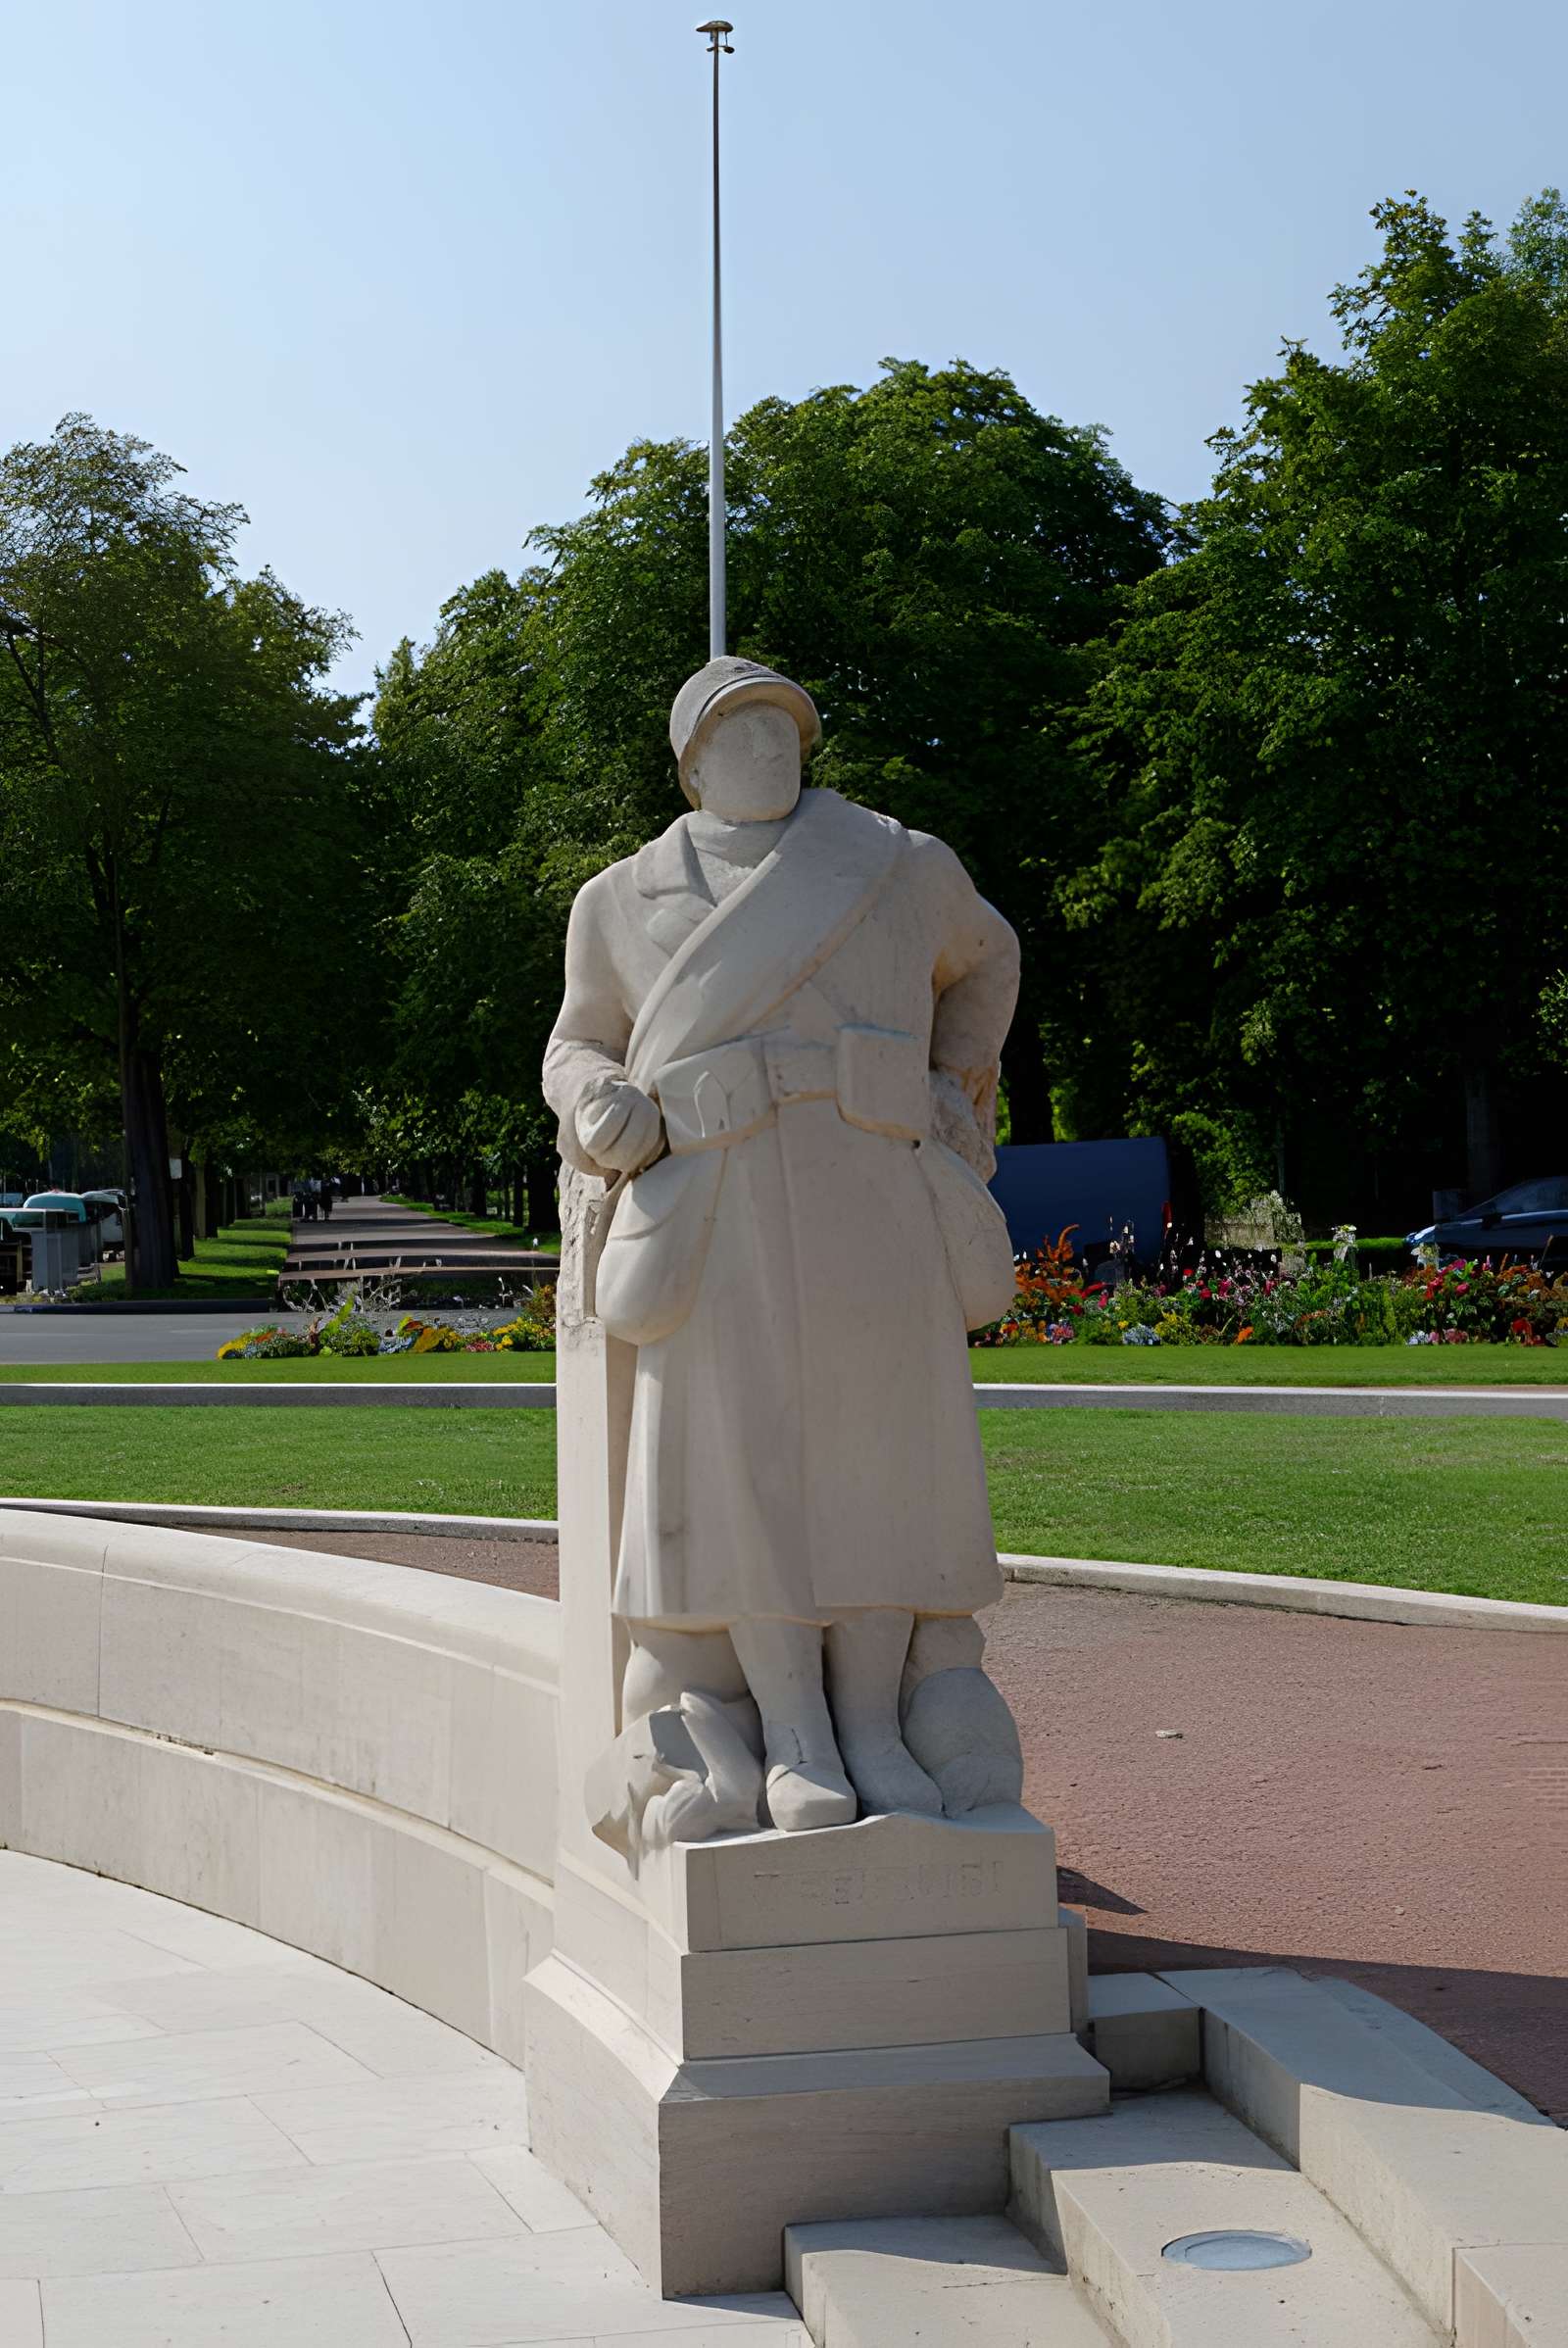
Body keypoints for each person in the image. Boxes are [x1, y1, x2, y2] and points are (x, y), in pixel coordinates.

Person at [545, 657, 1021, 1838]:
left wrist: (953, 1087)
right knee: (737, 1470)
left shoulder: (899, 862)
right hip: (717, 1204)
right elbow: (573, 1041)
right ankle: (794, 1731)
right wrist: (600, 1096)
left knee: (876, 1465)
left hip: (869, 1190)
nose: (768, 750)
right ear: (691, 761)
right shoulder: (619, 897)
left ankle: (870, 1722)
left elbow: (989, 959)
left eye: (783, 731)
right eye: (738, 734)